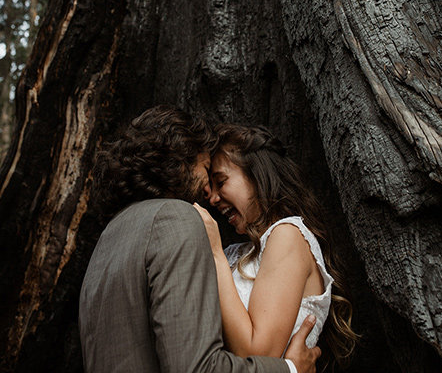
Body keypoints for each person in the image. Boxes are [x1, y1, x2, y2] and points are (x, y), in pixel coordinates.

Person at [78, 105, 321, 373]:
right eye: (207, 170)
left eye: (220, 181)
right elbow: (196, 365)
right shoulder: (175, 219)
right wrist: (290, 369)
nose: (209, 193)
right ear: (181, 160)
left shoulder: (109, 239)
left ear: (258, 174)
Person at [194, 123, 358, 368]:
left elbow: (258, 357)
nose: (214, 198)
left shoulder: (288, 235)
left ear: (257, 175)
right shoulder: (237, 253)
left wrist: (216, 254)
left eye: (221, 181)